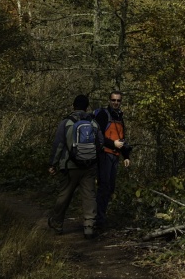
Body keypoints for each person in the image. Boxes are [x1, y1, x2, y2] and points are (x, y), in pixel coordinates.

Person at [48, 94, 100, 238]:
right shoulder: (93, 123)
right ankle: (89, 226)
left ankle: (57, 224)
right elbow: (99, 144)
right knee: (89, 196)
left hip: (69, 166)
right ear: (87, 107)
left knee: (64, 195)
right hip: (88, 167)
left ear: (73, 106)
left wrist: (53, 164)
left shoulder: (66, 123)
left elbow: (58, 145)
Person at [93, 90, 133, 225]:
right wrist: (112, 144)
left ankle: (100, 215)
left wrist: (126, 156)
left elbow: (121, 138)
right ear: (109, 100)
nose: (116, 102)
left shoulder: (119, 116)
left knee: (110, 187)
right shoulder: (104, 115)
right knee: (104, 186)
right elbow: (98, 136)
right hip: (104, 154)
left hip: (115, 155)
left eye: (118, 100)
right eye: (113, 100)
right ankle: (98, 219)